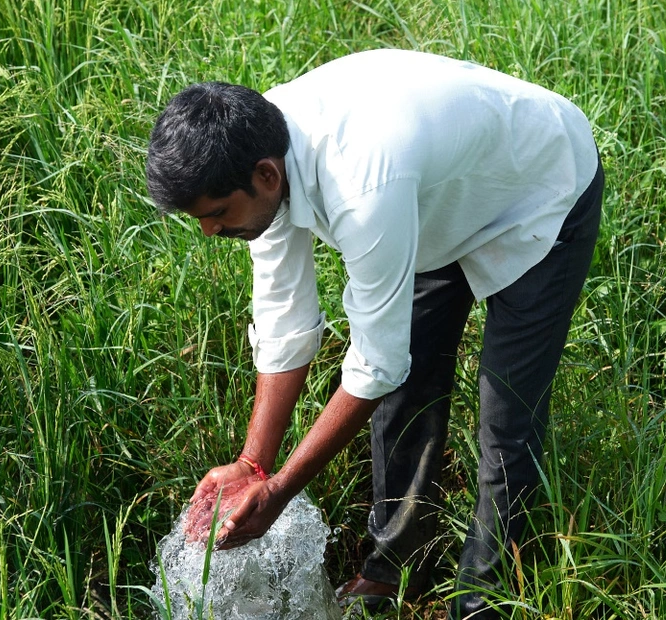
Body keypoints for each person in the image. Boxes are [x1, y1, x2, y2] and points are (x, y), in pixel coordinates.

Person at [145, 48, 602, 618]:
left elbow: (376, 362)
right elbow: (286, 324)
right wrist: (252, 465)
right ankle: (393, 570)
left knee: (506, 414)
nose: (212, 231)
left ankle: (484, 597)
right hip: (436, 200)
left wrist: (281, 492)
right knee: (407, 397)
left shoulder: (361, 182)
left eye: (216, 213)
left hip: (539, 188)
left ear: (266, 175)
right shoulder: (260, 151)